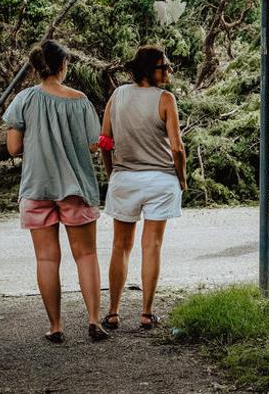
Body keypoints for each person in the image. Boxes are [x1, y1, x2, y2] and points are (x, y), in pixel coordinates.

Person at [3, 40, 109, 343]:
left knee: (47, 259)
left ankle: (56, 326)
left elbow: (13, 148)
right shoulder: (80, 100)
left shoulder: (24, 99)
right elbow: (93, 142)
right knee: (86, 255)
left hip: (37, 188)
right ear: (63, 66)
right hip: (75, 187)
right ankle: (93, 321)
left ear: (38, 68)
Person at [98, 45, 186, 331]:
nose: (169, 70)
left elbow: (105, 141)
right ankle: (146, 313)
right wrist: (182, 178)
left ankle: (112, 312)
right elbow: (177, 148)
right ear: (150, 69)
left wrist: (112, 172)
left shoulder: (118, 95)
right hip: (160, 180)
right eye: (165, 66)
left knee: (120, 246)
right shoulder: (165, 99)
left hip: (124, 179)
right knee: (152, 246)